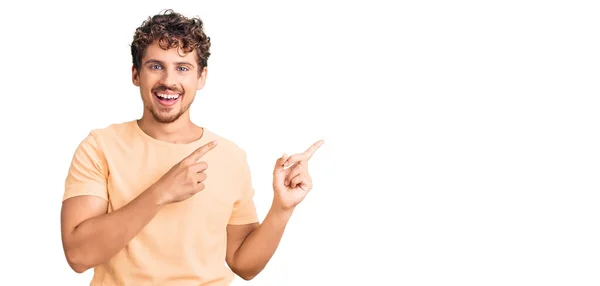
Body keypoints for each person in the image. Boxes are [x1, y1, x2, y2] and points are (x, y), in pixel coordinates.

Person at [60, 9, 324, 286]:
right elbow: (78, 256)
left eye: (182, 68)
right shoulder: (100, 146)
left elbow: (244, 265)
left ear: (201, 77)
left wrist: (282, 208)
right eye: (156, 66)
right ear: (136, 74)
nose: (168, 81)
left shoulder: (229, 155)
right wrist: (162, 192)